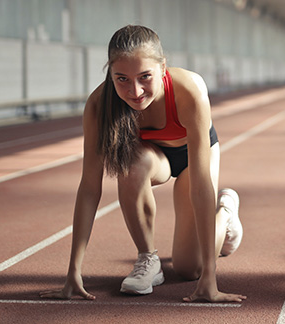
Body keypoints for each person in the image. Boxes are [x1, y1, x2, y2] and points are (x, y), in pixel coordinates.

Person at [40, 25, 245, 303]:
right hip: (152, 157)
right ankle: (148, 260)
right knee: (131, 164)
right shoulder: (99, 105)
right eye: (121, 78)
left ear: (163, 68)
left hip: (194, 155)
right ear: (110, 73)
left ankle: (226, 212)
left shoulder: (189, 90)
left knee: (189, 269)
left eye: (144, 77)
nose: (134, 91)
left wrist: (210, 277)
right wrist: (73, 272)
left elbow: (200, 185)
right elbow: (89, 187)